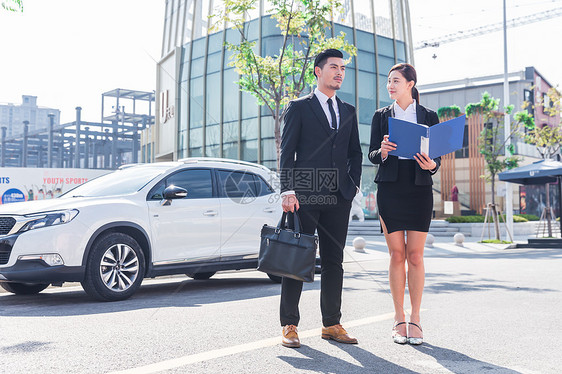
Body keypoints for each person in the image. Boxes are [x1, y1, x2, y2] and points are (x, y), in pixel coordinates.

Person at [279, 49, 362, 348]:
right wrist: (287, 189)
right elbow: (287, 151)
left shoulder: (349, 110)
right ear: (318, 71)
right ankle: (290, 324)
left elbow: (355, 152)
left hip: (339, 196)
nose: (339, 72)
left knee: (334, 262)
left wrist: (352, 186)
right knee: (297, 259)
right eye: (333, 67)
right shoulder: (299, 107)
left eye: (342, 68)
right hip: (304, 194)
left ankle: (332, 324)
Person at [368, 63, 441, 345]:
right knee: (397, 255)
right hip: (390, 189)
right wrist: (382, 152)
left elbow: (437, 157)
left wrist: (432, 164)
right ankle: (399, 318)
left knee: (416, 256)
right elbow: (373, 153)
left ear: (410, 83)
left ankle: (416, 318)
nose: (390, 85)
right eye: (388, 81)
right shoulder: (381, 116)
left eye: (395, 81)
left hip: (419, 188)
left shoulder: (428, 115)